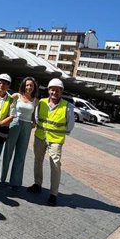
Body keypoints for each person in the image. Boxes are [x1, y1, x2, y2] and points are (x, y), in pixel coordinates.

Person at [26, 78, 75, 206]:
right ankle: (37, 184)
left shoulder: (67, 107)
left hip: (56, 140)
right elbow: (37, 118)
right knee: (38, 160)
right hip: (40, 136)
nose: (54, 92)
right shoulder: (41, 103)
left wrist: (58, 135)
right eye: (52, 90)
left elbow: (70, 125)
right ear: (49, 90)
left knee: (55, 164)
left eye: (57, 90)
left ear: (62, 91)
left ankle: (53, 194)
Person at [0, 77, 38, 191]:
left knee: (21, 155)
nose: (29, 87)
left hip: (26, 126)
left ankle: (15, 182)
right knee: (8, 151)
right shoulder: (16, 96)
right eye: (27, 85)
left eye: (31, 85)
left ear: (34, 87)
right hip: (15, 123)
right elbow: (6, 105)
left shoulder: (36, 100)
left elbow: (35, 115)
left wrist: (34, 123)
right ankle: (2, 178)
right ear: (23, 86)